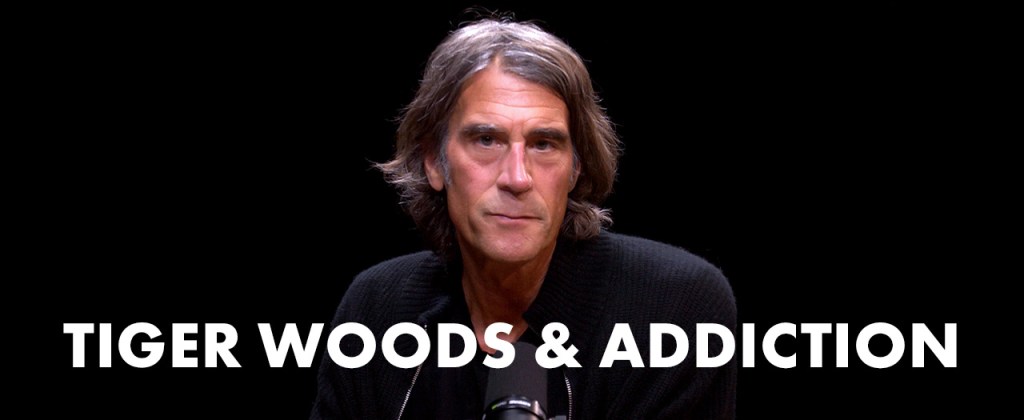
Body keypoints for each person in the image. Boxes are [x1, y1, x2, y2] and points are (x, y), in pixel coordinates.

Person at [311, 17, 736, 420]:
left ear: (576, 168)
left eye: (544, 144)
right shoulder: (377, 309)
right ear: (434, 162)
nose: (517, 178)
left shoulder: (673, 309)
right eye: (486, 140)